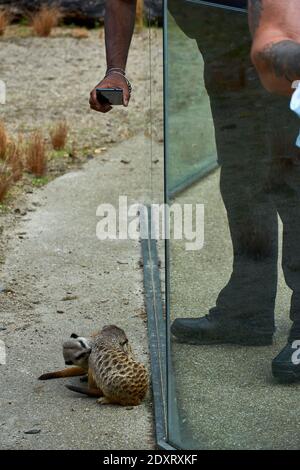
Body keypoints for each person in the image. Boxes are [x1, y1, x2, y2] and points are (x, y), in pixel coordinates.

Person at [89, 0, 300, 382]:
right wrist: (116, 71)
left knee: (291, 184)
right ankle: (247, 309)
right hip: (222, 54)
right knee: (242, 182)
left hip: (282, 55)